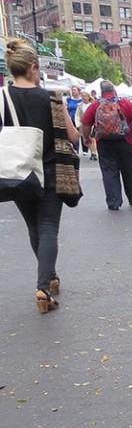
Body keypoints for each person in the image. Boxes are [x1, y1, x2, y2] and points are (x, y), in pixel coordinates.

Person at [1, 38, 80, 313]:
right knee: (48, 228)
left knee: (34, 228)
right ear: (34, 68)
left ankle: (50, 277)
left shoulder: (2, 97)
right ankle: (43, 286)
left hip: (17, 171)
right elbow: (72, 136)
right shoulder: (51, 98)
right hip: (49, 170)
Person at [81, 80, 132, 210]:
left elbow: (85, 123)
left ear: (101, 92)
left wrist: (87, 137)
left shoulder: (95, 105)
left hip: (104, 143)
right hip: (126, 142)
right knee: (129, 171)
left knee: (109, 172)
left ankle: (114, 201)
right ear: (114, 90)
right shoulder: (125, 103)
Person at [75, 90, 98, 160]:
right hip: (84, 125)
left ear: (88, 97)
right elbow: (77, 115)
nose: (83, 98)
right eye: (82, 96)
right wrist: (78, 124)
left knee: (92, 138)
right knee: (87, 138)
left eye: (84, 96)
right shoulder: (80, 106)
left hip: (93, 124)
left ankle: (94, 153)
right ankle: (92, 152)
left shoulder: (92, 105)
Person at [65, 85, 83, 152]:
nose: (73, 91)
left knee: (80, 133)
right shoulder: (69, 100)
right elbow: (66, 108)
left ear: (79, 91)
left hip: (79, 119)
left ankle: (84, 149)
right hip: (71, 118)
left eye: (75, 90)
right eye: (72, 90)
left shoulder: (82, 100)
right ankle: (75, 149)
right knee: (73, 133)